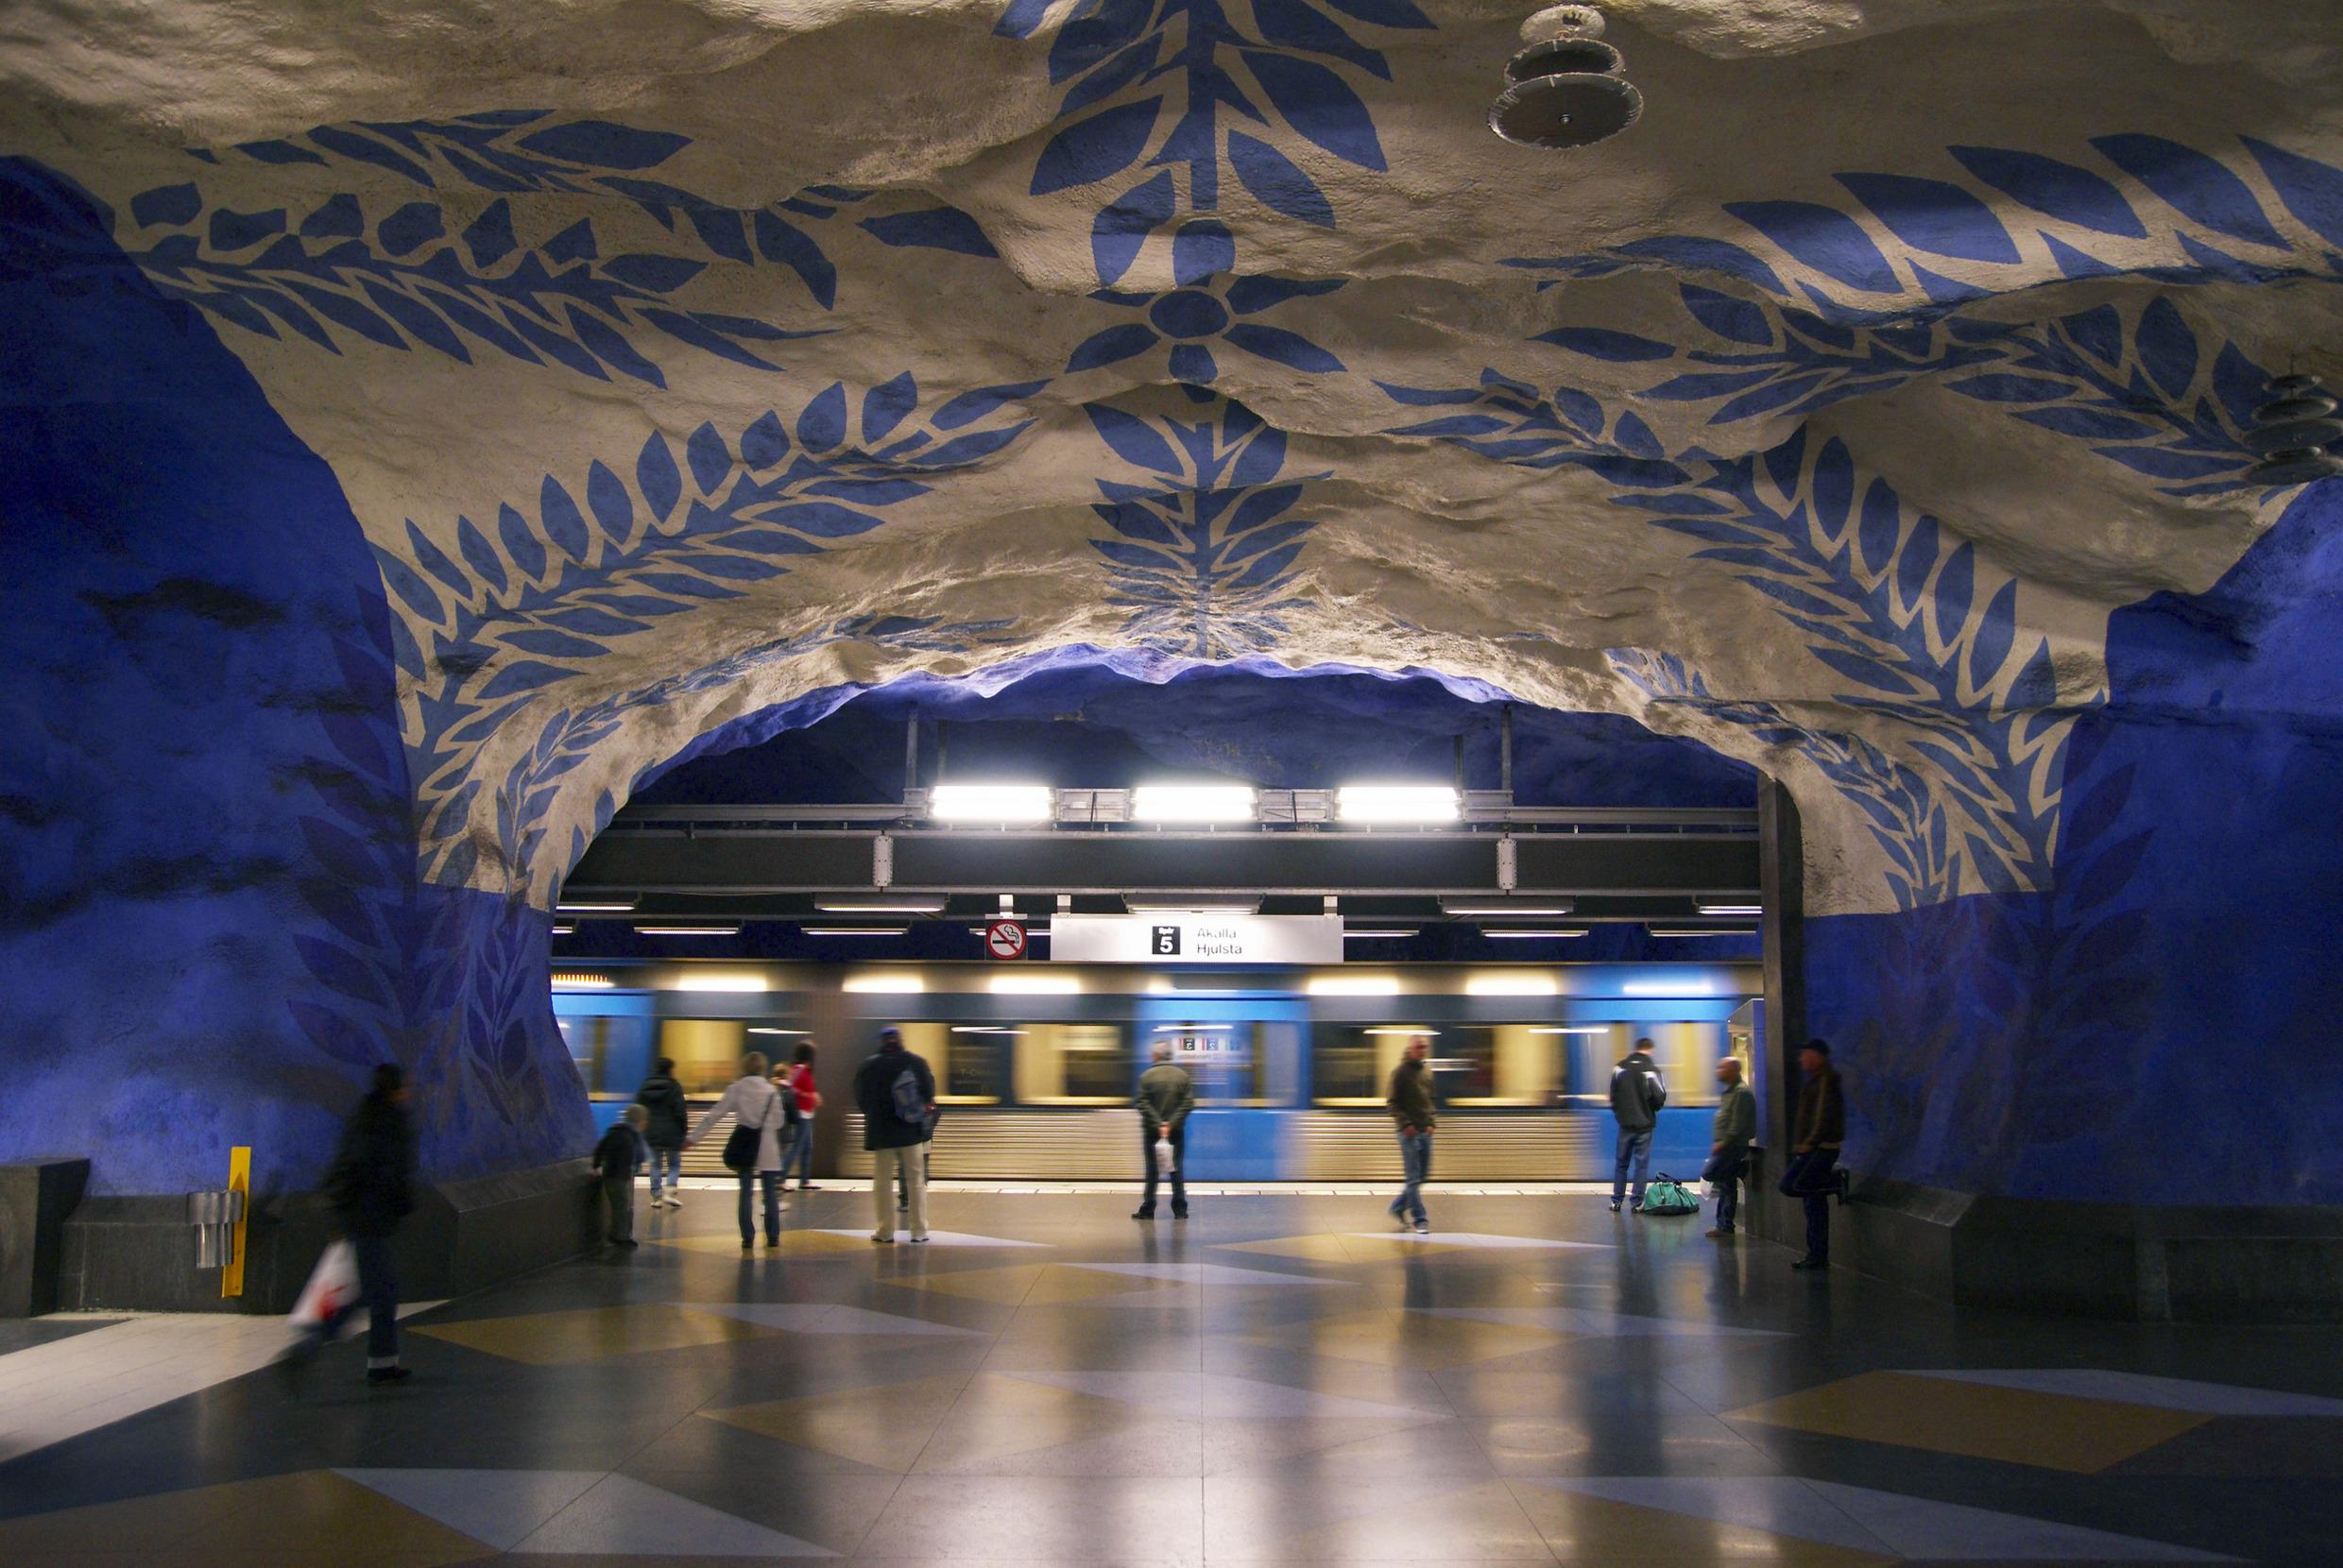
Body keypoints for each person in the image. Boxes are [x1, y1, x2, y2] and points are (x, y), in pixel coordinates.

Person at [283, 1063, 418, 1387]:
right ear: (397, 1089)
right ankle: (307, 1347)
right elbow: (386, 1174)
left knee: (374, 1292)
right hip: (367, 1220)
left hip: (358, 1218)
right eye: (406, 1086)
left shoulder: (366, 1116)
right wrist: (400, 1203)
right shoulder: (388, 1123)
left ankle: (382, 1363)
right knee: (374, 1293)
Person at [687, 1051, 791, 1252]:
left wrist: (693, 1138)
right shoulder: (772, 1091)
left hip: (745, 1147)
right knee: (769, 1194)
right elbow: (779, 1121)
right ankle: (773, 1237)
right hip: (768, 1148)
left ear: (744, 1067)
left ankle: (747, 1237)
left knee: (745, 1193)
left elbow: (714, 1115)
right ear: (763, 1068)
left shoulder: (737, 1088)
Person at [854, 1027, 935, 1243]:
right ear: (900, 1041)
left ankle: (885, 1231)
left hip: (882, 1135)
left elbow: (860, 1099)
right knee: (916, 1181)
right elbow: (929, 1094)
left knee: (882, 1182)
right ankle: (919, 1231)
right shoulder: (916, 1063)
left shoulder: (869, 1065)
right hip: (910, 1132)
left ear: (881, 1042)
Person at [1778, 1038, 1848, 1270]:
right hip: (1814, 1148)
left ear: (1817, 1056)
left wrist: (1809, 1142)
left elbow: (1822, 1117)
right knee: (1813, 1201)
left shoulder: (1826, 1081)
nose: (1801, 1060)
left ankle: (1835, 1183)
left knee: (1790, 1185)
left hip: (1820, 1148)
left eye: (1805, 1054)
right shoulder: (1817, 1081)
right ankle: (1817, 1254)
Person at [1132, 1043, 1195, 1220]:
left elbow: (1142, 1103)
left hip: (1152, 1131)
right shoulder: (1183, 1076)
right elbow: (1188, 1103)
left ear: (1156, 1056)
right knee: (1176, 1169)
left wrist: (1159, 1124)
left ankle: (1148, 1209)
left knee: (1152, 1170)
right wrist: (1171, 1124)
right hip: (1175, 1132)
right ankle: (1180, 1210)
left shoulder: (1146, 1076)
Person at [1608, 1036, 1668, 1214]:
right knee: (1641, 1164)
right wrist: (1650, 1110)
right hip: (1645, 1125)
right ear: (1650, 1049)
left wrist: (1621, 1115)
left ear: (1636, 1048)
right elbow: (1660, 1096)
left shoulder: (1619, 1068)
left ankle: (1616, 1201)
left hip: (1625, 1125)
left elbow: (1613, 1097)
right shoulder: (1652, 1070)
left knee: (1621, 1163)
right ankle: (1637, 1202)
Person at [1385, 1033, 1434, 1234]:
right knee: (1413, 1178)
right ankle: (1420, 1219)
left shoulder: (1427, 1072)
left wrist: (1431, 1122)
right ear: (1410, 1048)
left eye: (1425, 1047)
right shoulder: (1400, 1072)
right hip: (1408, 1133)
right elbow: (1392, 1103)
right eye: (1419, 1047)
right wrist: (1406, 1124)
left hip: (1425, 1131)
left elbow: (1430, 1100)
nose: (1423, 1050)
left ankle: (1398, 1207)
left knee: (1423, 1176)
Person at [1702, 1057, 1755, 1238]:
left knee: (1711, 1174)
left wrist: (1723, 1142)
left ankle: (1741, 1170)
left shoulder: (1741, 1093)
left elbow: (1737, 1123)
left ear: (1733, 1070)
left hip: (1732, 1145)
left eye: (1722, 1068)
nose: (1718, 1071)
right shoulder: (1731, 1092)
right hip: (1727, 1145)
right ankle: (1724, 1224)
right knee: (1726, 1184)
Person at [634, 1056, 689, 1209]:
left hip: (651, 1132)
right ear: (670, 1070)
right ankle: (670, 1191)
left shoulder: (645, 1086)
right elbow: (680, 1111)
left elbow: (638, 1109)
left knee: (655, 1165)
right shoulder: (674, 1086)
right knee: (674, 1164)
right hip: (672, 1132)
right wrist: (684, 1130)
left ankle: (656, 1197)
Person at [594, 1105, 648, 1251]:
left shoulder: (621, 1133)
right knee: (622, 1207)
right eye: (644, 1121)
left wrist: (596, 1164)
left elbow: (601, 1148)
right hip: (617, 1177)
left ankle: (623, 1235)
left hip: (619, 1175)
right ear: (639, 1121)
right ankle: (620, 1237)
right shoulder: (626, 1136)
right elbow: (631, 1156)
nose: (645, 1124)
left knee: (624, 1206)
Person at [783, 1044, 821, 1190]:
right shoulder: (799, 1070)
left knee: (807, 1147)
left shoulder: (804, 1070)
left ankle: (804, 1180)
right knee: (797, 1147)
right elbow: (789, 1087)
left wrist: (813, 1095)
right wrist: (807, 1094)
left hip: (807, 1113)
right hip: (801, 1113)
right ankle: (780, 1178)